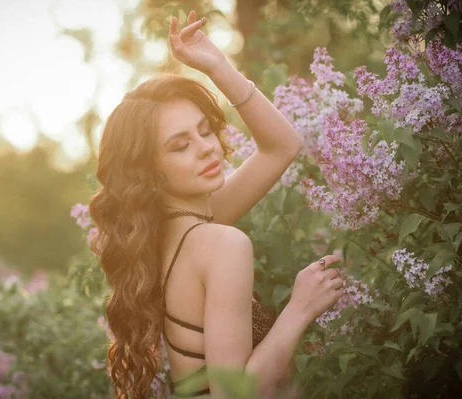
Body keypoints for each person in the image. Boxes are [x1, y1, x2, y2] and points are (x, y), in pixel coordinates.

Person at [89, 9, 344, 399]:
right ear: (150, 172)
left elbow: (282, 146)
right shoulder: (219, 243)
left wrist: (217, 65)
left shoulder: (177, 233)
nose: (207, 148)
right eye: (181, 145)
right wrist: (300, 308)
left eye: (205, 130)